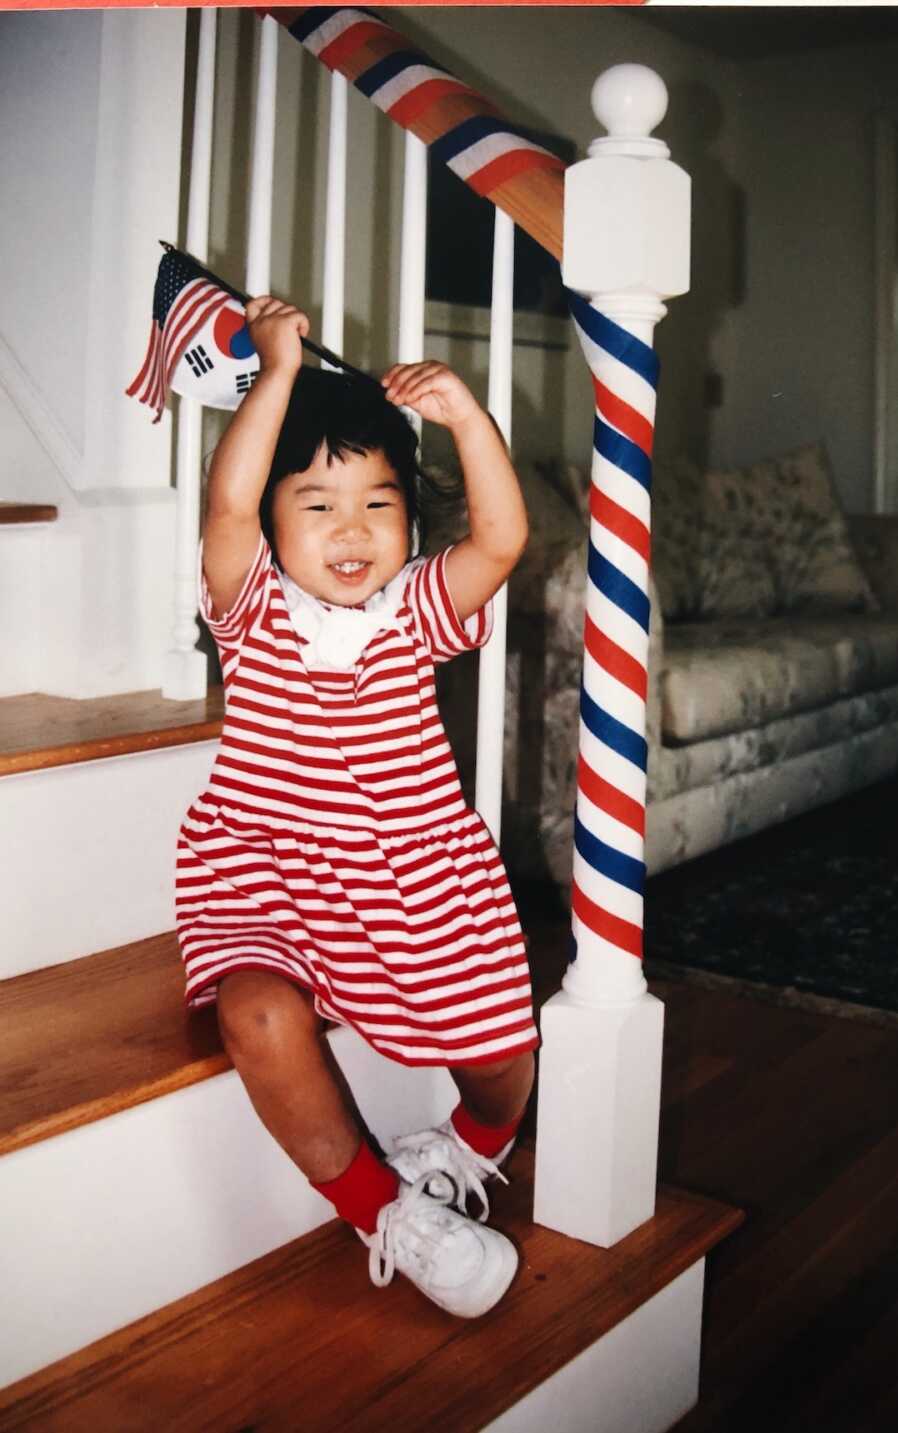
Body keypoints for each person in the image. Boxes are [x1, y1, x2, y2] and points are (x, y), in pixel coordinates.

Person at [176, 296, 537, 1319]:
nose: (351, 530)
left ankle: (473, 1141)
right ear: (276, 521)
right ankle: (384, 1210)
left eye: (379, 505)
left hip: (412, 871)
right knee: (255, 1008)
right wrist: (279, 372)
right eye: (318, 503)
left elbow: (502, 539)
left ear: (410, 527)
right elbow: (228, 504)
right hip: (267, 868)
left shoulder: (413, 612)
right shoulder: (251, 608)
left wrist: (469, 421)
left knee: (503, 1045)